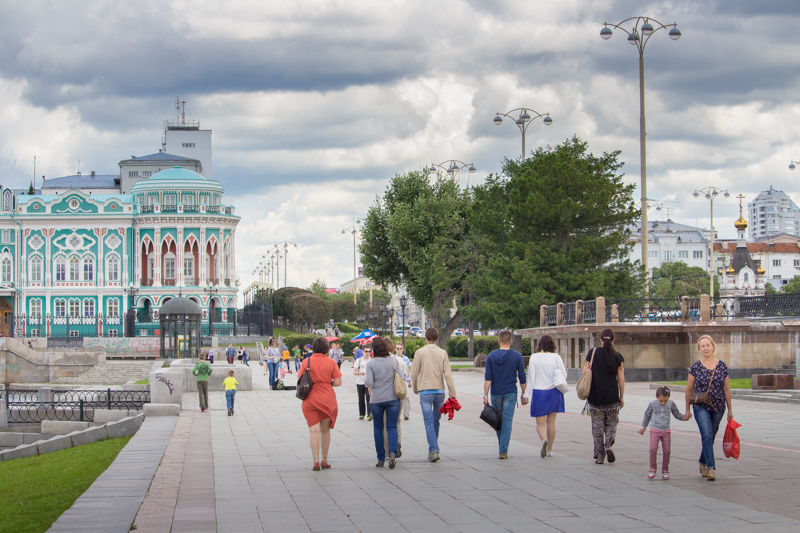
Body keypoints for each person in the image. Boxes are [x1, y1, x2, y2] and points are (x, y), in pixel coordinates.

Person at [684, 335, 732, 481]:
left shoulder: (722, 366)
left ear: (713, 347)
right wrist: (687, 409)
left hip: (718, 406)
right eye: (703, 346)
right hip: (701, 406)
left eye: (708, 345)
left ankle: (703, 462)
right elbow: (689, 389)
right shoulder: (696, 367)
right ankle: (711, 468)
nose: (706, 348)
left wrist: (730, 409)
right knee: (706, 435)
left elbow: (727, 389)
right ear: (699, 349)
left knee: (710, 436)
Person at [410, 328, 457, 463]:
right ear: (436, 338)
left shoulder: (420, 352)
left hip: (425, 391)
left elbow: (413, 372)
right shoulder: (442, 353)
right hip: (439, 392)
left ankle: (433, 449)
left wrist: (415, 386)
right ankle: (434, 448)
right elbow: (448, 374)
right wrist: (452, 394)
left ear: (426, 337)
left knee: (428, 421)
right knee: (435, 421)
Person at [298, 336, 342, 471]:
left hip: (310, 399)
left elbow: (300, 379)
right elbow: (338, 382)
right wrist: (327, 382)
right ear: (327, 348)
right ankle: (324, 459)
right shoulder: (331, 362)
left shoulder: (307, 362)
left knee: (314, 431)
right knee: (325, 430)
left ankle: (315, 461)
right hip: (327, 399)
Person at [582, 328, 625, 465]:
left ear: (600, 339)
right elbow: (621, 379)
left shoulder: (592, 353)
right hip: (612, 396)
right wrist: (621, 397)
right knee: (612, 424)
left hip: (595, 396)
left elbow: (584, 372)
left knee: (597, 427)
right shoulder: (618, 356)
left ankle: (600, 456)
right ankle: (609, 445)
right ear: (613, 340)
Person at [484, 330, 528, 459]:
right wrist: (524, 393)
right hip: (510, 392)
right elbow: (522, 377)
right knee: (507, 421)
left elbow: (488, 378)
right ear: (511, 342)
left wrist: (485, 395)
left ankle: (502, 447)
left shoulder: (491, 356)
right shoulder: (517, 356)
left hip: (496, 393)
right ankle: (503, 450)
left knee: (498, 420)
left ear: (498, 341)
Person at [365, 338, 405, 469]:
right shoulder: (393, 361)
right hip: (393, 399)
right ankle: (393, 453)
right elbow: (401, 377)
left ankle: (381, 458)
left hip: (376, 400)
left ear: (374, 350)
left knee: (378, 428)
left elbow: (369, 383)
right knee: (392, 426)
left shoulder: (371, 364)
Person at [524, 334, 566, 458]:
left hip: (539, 392)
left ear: (539, 345)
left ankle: (543, 440)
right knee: (551, 421)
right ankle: (550, 449)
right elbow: (564, 374)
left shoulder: (535, 357)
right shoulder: (556, 357)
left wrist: (526, 394)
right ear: (553, 345)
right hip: (554, 391)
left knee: (540, 422)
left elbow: (531, 377)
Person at [639, 386, 687, 480]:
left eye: (665, 401)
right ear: (657, 397)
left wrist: (684, 417)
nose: (663, 403)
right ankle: (652, 468)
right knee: (653, 449)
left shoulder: (671, 403)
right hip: (654, 430)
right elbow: (647, 415)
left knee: (667, 451)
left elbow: (676, 414)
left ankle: (665, 469)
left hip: (666, 430)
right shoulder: (652, 404)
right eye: (661, 401)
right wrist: (643, 427)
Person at [353, 344, 372, 420]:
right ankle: (361, 413)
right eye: (366, 351)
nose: (368, 353)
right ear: (362, 351)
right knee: (361, 399)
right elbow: (354, 372)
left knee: (369, 398)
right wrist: (361, 373)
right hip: (360, 382)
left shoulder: (371, 361)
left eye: (369, 351)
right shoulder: (359, 360)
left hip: (368, 383)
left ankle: (369, 413)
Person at [395, 342, 412, 420]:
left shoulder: (406, 358)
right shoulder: (393, 358)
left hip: (404, 379)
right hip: (396, 380)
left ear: (403, 349)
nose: (399, 350)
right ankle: (397, 412)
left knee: (406, 397)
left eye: (400, 348)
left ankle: (406, 414)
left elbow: (408, 370)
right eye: (397, 348)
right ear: (395, 349)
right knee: (397, 396)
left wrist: (410, 380)